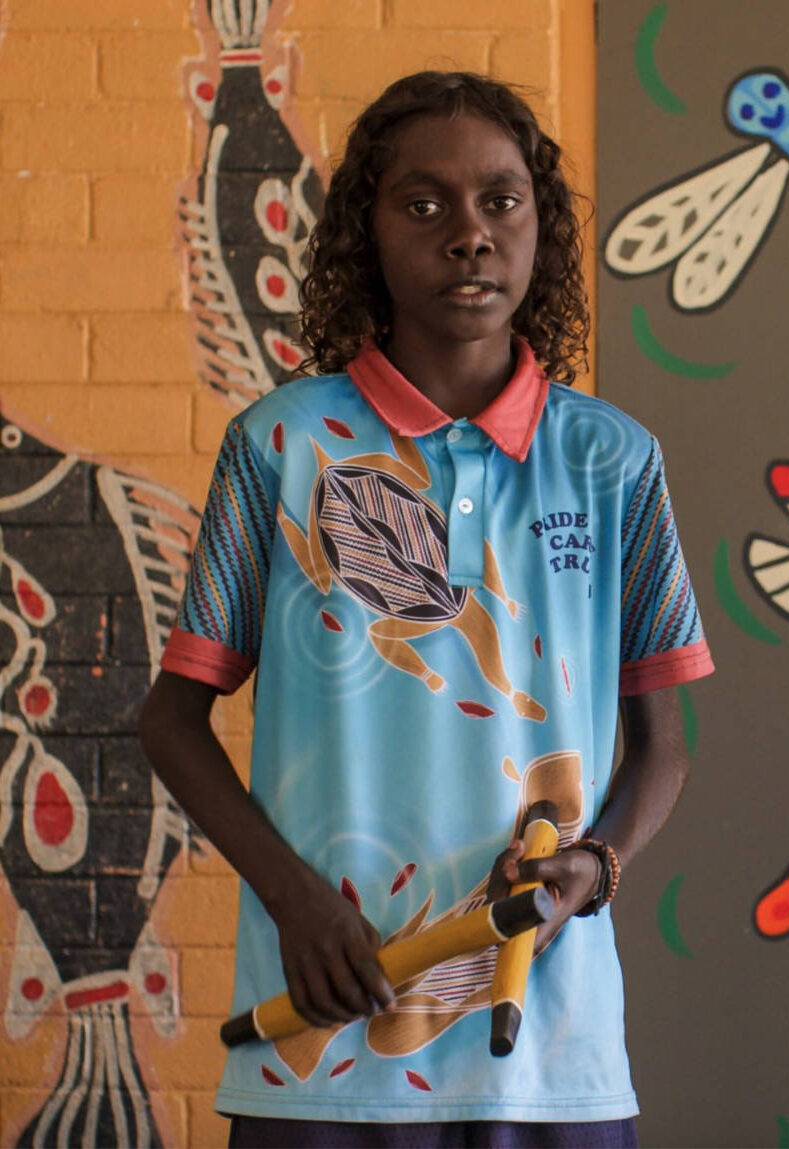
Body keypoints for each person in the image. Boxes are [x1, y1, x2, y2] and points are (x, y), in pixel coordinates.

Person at [139, 71, 712, 1148]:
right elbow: (170, 721)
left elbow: (663, 746)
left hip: (553, 1056)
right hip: (324, 1049)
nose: (468, 235)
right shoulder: (280, 445)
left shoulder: (612, 459)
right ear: (366, 231)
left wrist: (596, 868)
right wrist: (292, 901)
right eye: (424, 203)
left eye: (501, 201)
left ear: (539, 230)